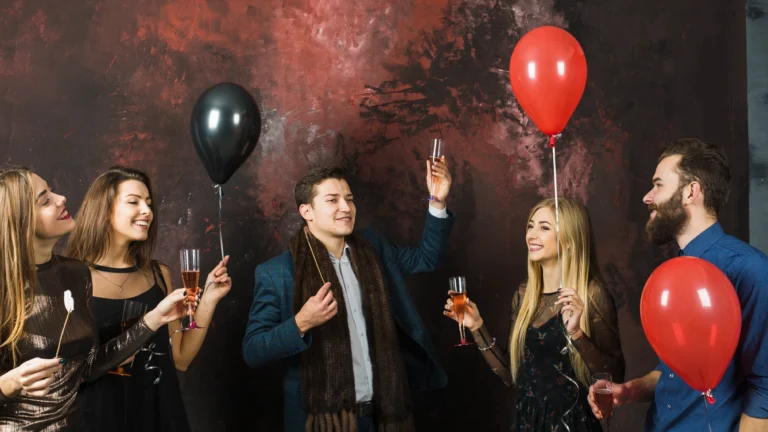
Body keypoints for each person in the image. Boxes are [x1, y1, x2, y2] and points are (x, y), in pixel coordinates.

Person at [243, 160, 454, 431]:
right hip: (320, 422)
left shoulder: (373, 248)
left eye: (349, 199)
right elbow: (253, 351)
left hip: (384, 416)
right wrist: (300, 323)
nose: (346, 207)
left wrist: (437, 201)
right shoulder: (277, 272)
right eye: (332, 200)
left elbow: (426, 258)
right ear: (306, 211)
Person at [588, 138, 768, 431]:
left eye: (658, 185)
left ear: (690, 192)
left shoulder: (750, 268)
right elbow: (674, 373)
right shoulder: (674, 272)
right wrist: (629, 391)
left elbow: (764, 389)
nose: (647, 197)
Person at [0, 166, 188, 431]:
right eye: (45, 200)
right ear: (21, 220)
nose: (61, 198)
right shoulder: (5, 285)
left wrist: (154, 319)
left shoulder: (76, 273)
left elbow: (87, 367)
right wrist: (7, 384)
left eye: (52, 191)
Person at [67, 166, 232, 432]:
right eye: (134, 202)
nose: (147, 211)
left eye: (149, 203)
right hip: (98, 419)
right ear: (104, 209)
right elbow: (68, 370)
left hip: (159, 413)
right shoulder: (71, 278)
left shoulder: (158, 274)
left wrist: (209, 299)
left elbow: (181, 358)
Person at [444, 197, 624, 431]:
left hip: (572, 424)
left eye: (544, 227)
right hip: (528, 422)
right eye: (531, 226)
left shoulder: (592, 294)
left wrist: (577, 334)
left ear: (569, 240)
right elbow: (511, 375)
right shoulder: (523, 295)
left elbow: (614, 376)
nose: (532, 235)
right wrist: (477, 326)